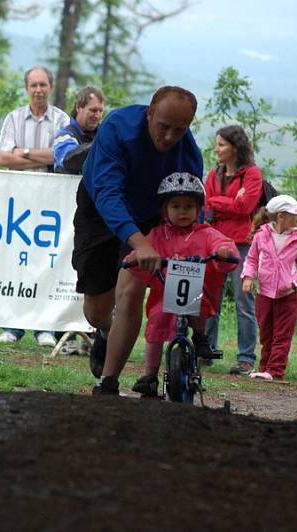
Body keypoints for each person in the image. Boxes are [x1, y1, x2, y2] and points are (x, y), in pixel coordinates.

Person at [71, 85, 203, 396]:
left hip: (150, 215)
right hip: (102, 209)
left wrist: (196, 245)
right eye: (163, 127)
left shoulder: (188, 154)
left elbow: (193, 205)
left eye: (179, 130)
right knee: (97, 310)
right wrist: (137, 242)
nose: (169, 137)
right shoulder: (117, 128)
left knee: (130, 293)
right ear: (149, 114)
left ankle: (108, 382)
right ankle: (105, 331)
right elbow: (107, 192)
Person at [124, 172, 238, 397]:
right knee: (156, 323)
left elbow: (222, 243)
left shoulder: (206, 234)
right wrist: (135, 257)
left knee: (201, 304)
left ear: (199, 209)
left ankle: (200, 335)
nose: (182, 211)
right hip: (164, 291)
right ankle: (149, 375)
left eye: (188, 206)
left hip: (196, 292)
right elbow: (142, 249)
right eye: (175, 206)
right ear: (164, 210)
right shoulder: (158, 234)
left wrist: (224, 252)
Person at [0, 66, 70, 346]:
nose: (38, 90)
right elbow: (1, 158)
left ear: (50, 87)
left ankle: (44, 328)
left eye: (43, 85)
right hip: (18, 202)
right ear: (26, 88)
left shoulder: (62, 119)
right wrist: (43, 157)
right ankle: (11, 327)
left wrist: (22, 153)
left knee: (46, 262)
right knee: (15, 262)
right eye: (33, 85)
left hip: (51, 204)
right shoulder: (13, 118)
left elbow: (61, 156)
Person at [203, 125, 262, 375]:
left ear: (235, 148)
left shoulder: (252, 175)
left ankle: (246, 358)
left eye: (221, 145)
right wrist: (230, 202)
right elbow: (206, 206)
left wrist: (220, 204)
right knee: (209, 301)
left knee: (243, 301)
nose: (216, 149)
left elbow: (245, 205)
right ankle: (205, 351)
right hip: (215, 243)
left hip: (242, 245)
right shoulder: (213, 175)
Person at [241, 195, 297, 380]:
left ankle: (275, 371)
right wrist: (248, 277)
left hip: (287, 296)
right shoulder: (261, 236)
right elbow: (252, 259)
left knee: (282, 335)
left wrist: (293, 282)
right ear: (281, 216)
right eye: (295, 214)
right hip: (263, 294)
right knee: (266, 334)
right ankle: (264, 368)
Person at [53, 86, 105, 174]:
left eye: (100, 111)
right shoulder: (63, 135)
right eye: (93, 110)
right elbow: (69, 160)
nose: (97, 116)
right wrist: (102, 145)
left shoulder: (104, 134)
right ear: (78, 107)